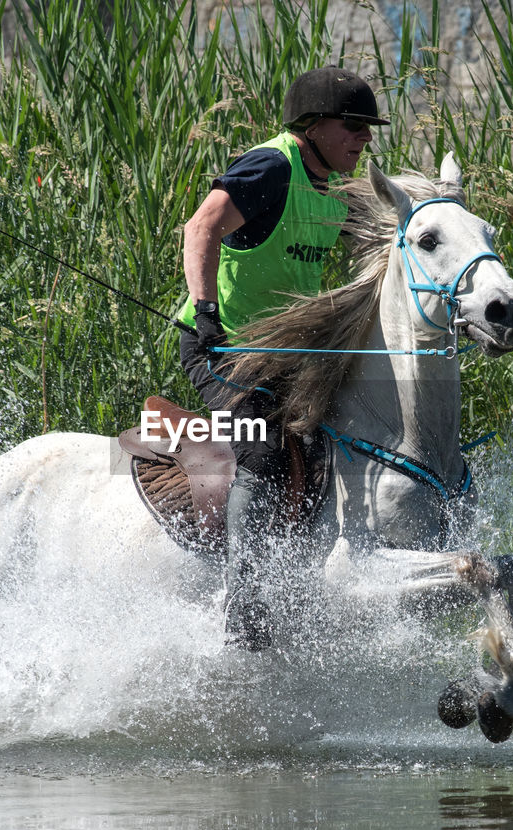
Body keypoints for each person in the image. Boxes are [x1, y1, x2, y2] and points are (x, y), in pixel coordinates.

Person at [175, 67, 388, 650]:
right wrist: (207, 310)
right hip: (223, 345)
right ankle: (244, 603)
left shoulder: (335, 189)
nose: (363, 139)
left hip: (286, 353)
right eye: (353, 126)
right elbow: (201, 228)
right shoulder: (272, 167)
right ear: (313, 126)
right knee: (264, 455)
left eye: (369, 129)